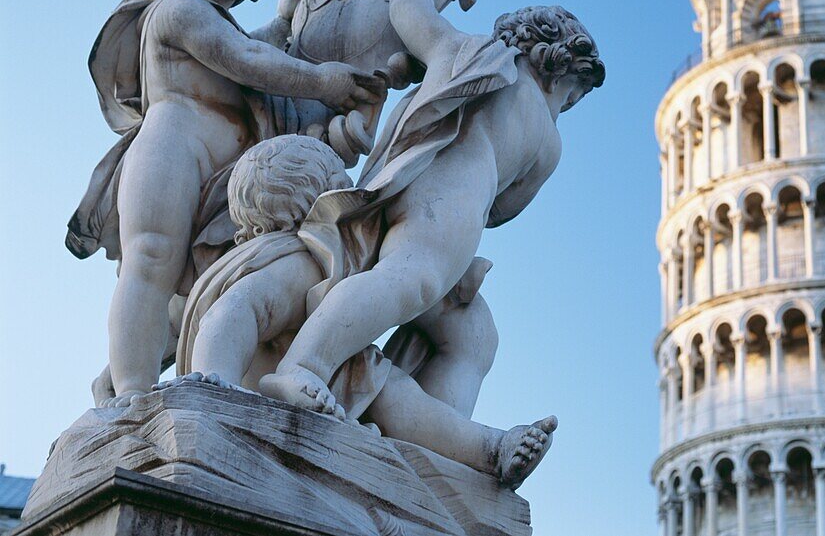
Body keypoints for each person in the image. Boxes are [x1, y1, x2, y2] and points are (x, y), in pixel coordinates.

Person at [257, 0, 605, 419]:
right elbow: (505, 209)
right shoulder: (548, 139)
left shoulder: (468, 54)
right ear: (558, 63)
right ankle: (305, 365)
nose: (564, 108)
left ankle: (426, 438)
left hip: (405, 177)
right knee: (411, 281)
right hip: (456, 201)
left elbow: (408, 12)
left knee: (471, 334)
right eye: (570, 98)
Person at [67, 0, 383, 407]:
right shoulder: (176, 11)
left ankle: (122, 378)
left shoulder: (220, 23)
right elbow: (244, 59)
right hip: (171, 150)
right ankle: (129, 394)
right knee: (151, 260)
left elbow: (258, 44)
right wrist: (322, 82)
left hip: (228, 172)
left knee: (193, 289)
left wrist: (287, 14)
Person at [168, 135, 553, 489]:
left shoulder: (322, 264)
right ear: (325, 198)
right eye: (345, 186)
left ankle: (491, 448)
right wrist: (216, 382)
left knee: (400, 397)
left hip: (337, 373)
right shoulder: (292, 259)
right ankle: (489, 448)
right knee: (399, 398)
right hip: (270, 381)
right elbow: (233, 313)